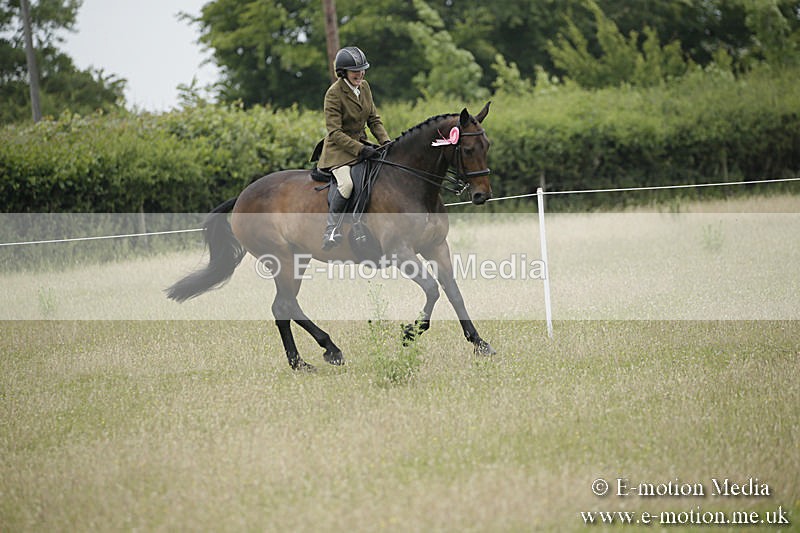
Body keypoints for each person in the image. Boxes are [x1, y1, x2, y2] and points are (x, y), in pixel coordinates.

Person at [317, 46, 391, 250]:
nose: (360, 74)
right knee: (347, 185)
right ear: (343, 72)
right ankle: (331, 229)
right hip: (339, 152)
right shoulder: (333, 94)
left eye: (362, 69)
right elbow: (335, 133)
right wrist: (360, 149)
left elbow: (374, 120)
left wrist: (386, 143)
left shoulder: (365, 87)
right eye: (354, 71)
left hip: (363, 145)